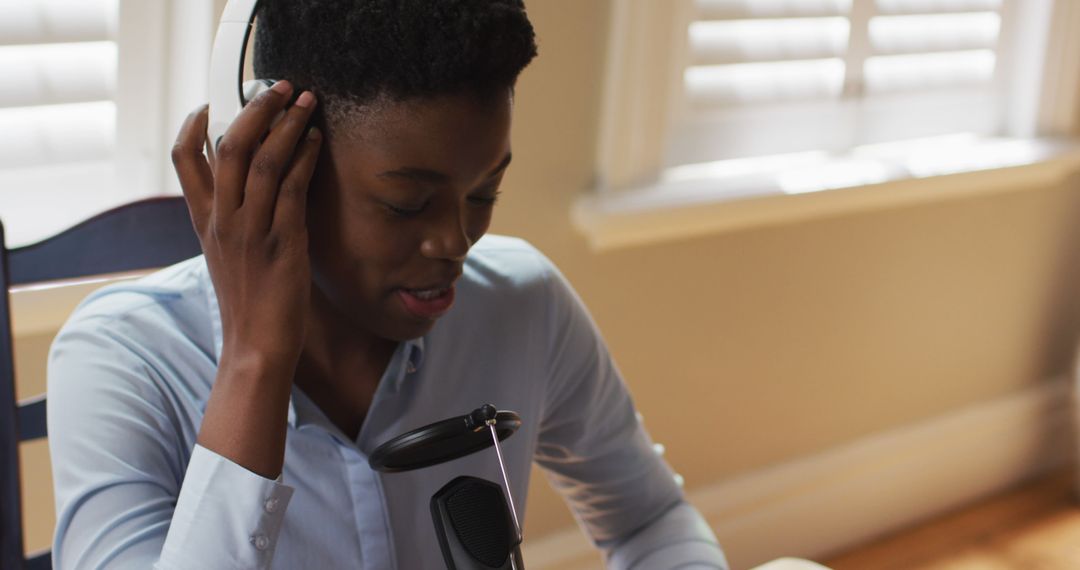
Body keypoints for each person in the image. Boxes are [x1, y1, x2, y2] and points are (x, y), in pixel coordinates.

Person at [47, 1, 728, 568]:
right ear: (272, 162)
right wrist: (255, 358)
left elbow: (650, 519)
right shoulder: (121, 360)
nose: (454, 242)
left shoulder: (526, 302)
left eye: (485, 192)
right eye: (407, 205)